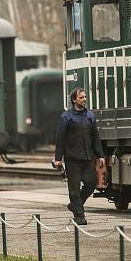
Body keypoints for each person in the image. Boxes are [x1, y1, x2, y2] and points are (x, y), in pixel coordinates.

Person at [54, 88, 106, 225]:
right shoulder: (66, 117)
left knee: (91, 183)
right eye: (82, 97)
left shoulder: (90, 116)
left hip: (88, 157)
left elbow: (96, 138)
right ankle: (79, 215)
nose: (84, 99)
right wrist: (58, 159)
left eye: (85, 97)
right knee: (74, 188)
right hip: (72, 159)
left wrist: (100, 155)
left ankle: (75, 205)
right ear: (74, 100)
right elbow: (60, 139)